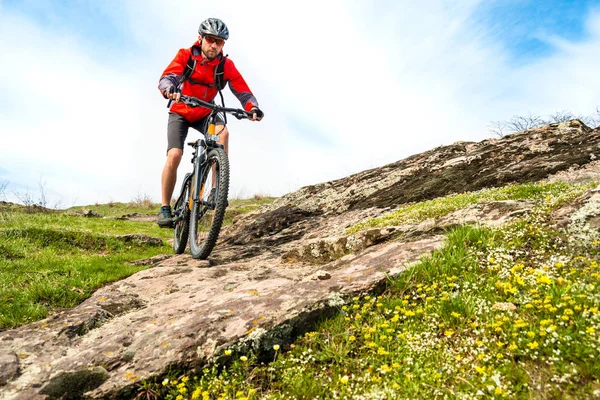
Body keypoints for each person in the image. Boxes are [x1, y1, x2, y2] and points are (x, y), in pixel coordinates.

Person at [157, 17, 264, 228]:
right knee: (175, 155)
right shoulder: (186, 56)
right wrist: (170, 89)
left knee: (223, 133)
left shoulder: (225, 65)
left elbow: (242, 90)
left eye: (220, 41)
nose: (214, 45)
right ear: (200, 38)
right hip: (181, 111)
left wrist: (252, 107)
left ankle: (217, 190)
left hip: (206, 112)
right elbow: (167, 77)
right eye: (210, 39)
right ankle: (164, 208)